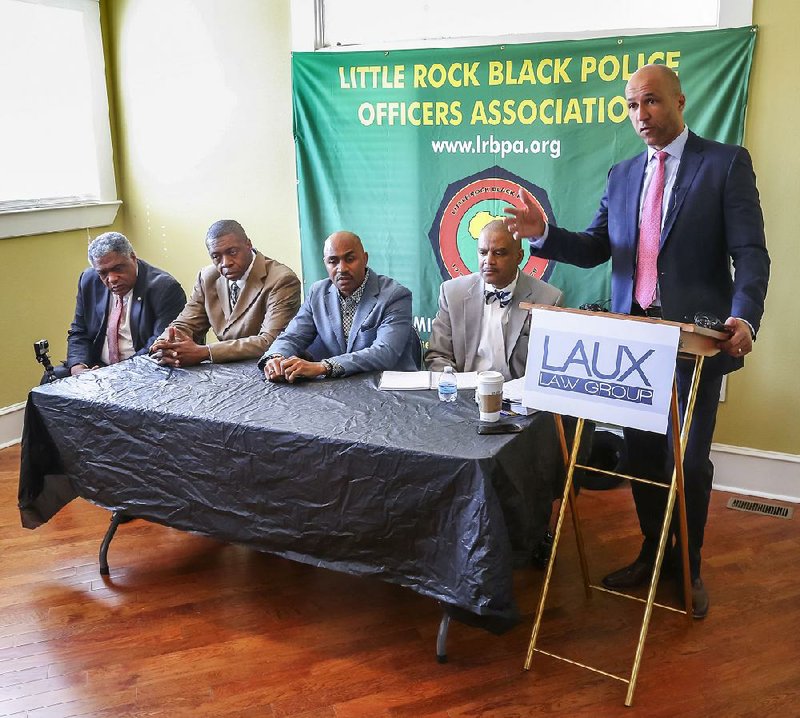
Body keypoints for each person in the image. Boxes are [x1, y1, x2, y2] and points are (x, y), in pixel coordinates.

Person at [505, 64, 770, 618]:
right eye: (630, 105)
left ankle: (687, 567)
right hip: (633, 349)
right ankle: (653, 551)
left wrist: (745, 317)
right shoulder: (623, 173)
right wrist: (544, 235)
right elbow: (599, 245)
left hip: (697, 344)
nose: (639, 115)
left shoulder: (724, 164)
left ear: (678, 101)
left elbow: (750, 254)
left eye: (650, 102)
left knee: (690, 464)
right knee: (644, 459)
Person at [259, 231, 417, 381]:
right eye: (333, 261)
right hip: (340, 390)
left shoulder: (395, 295)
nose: (342, 268)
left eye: (350, 259)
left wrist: (324, 367)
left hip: (389, 390)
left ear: (365, 258)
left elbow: (385, 353)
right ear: (325, 263)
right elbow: (293, 336)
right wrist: (275, 358)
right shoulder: (317, 292)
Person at [151, 219, 301, 366]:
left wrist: (206, 352)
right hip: (226, 371)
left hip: (272, 368)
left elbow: (271, 341)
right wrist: (164, 344)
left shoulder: (282, 279)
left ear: (248, 244)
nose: (225, 263)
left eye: (233, 252)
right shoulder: (207, 278)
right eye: (216, 256)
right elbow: (186, 324)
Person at [425, 219, 562, 379]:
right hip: (463, 393)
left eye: (499, 253)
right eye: (483, 252)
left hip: (517, 399)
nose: (488, 261)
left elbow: (549, 368)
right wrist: (456, 386)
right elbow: (437, 355)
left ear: (519, 257)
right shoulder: (452, 293)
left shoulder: (548, 299)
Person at [52, 232, 186, 379]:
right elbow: (79, 331)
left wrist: (114, 374)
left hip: (141, 370)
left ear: (133, 258)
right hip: (97, 367)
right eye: (103, 273)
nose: (112, 279)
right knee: (51, 382)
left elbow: (158, 344)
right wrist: (78, 367)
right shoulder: (89, 280)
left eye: (118, 268)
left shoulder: (164, 288)